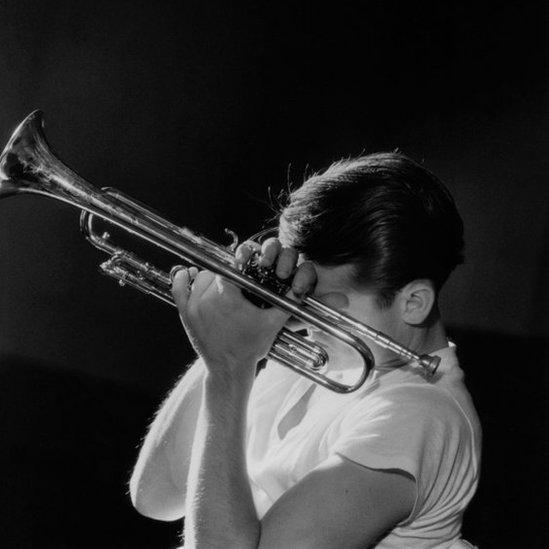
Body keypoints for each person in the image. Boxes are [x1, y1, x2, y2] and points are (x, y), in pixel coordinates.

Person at [129, 153, 482, 548]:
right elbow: (158, 496)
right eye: (300, 293)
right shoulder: (320, 358)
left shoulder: (420, 414)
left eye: (323, 302)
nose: (303, 314)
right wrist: (229, 323)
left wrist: (228, 367)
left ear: (413, 302)